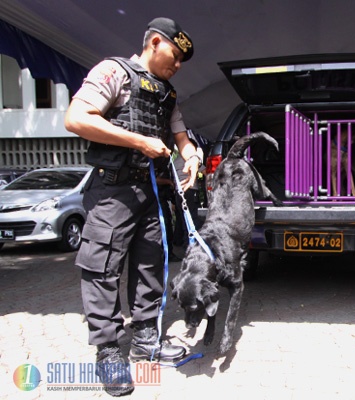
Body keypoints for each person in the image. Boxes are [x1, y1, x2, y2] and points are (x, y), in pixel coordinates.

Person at [64, 17, 199, 397]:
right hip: (112, 192)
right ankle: (108, 352)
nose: (176, 66)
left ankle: (145, 342)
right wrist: (139, 142)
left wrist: (191, 155)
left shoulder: (167, 93)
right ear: (155, 42)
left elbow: (180, 137)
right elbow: (76, 118)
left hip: (151, 193)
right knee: (102, 267)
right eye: (174, 56)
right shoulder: (114, 72)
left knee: (150, 264)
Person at [173, 131, 204, 250]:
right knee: (193, 220)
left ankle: (186, 247)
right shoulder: (190, 160)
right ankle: (192, 249)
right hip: (190, 191)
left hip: (178, 193)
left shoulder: (175, 162)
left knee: (184, 221)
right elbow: (206, 172)